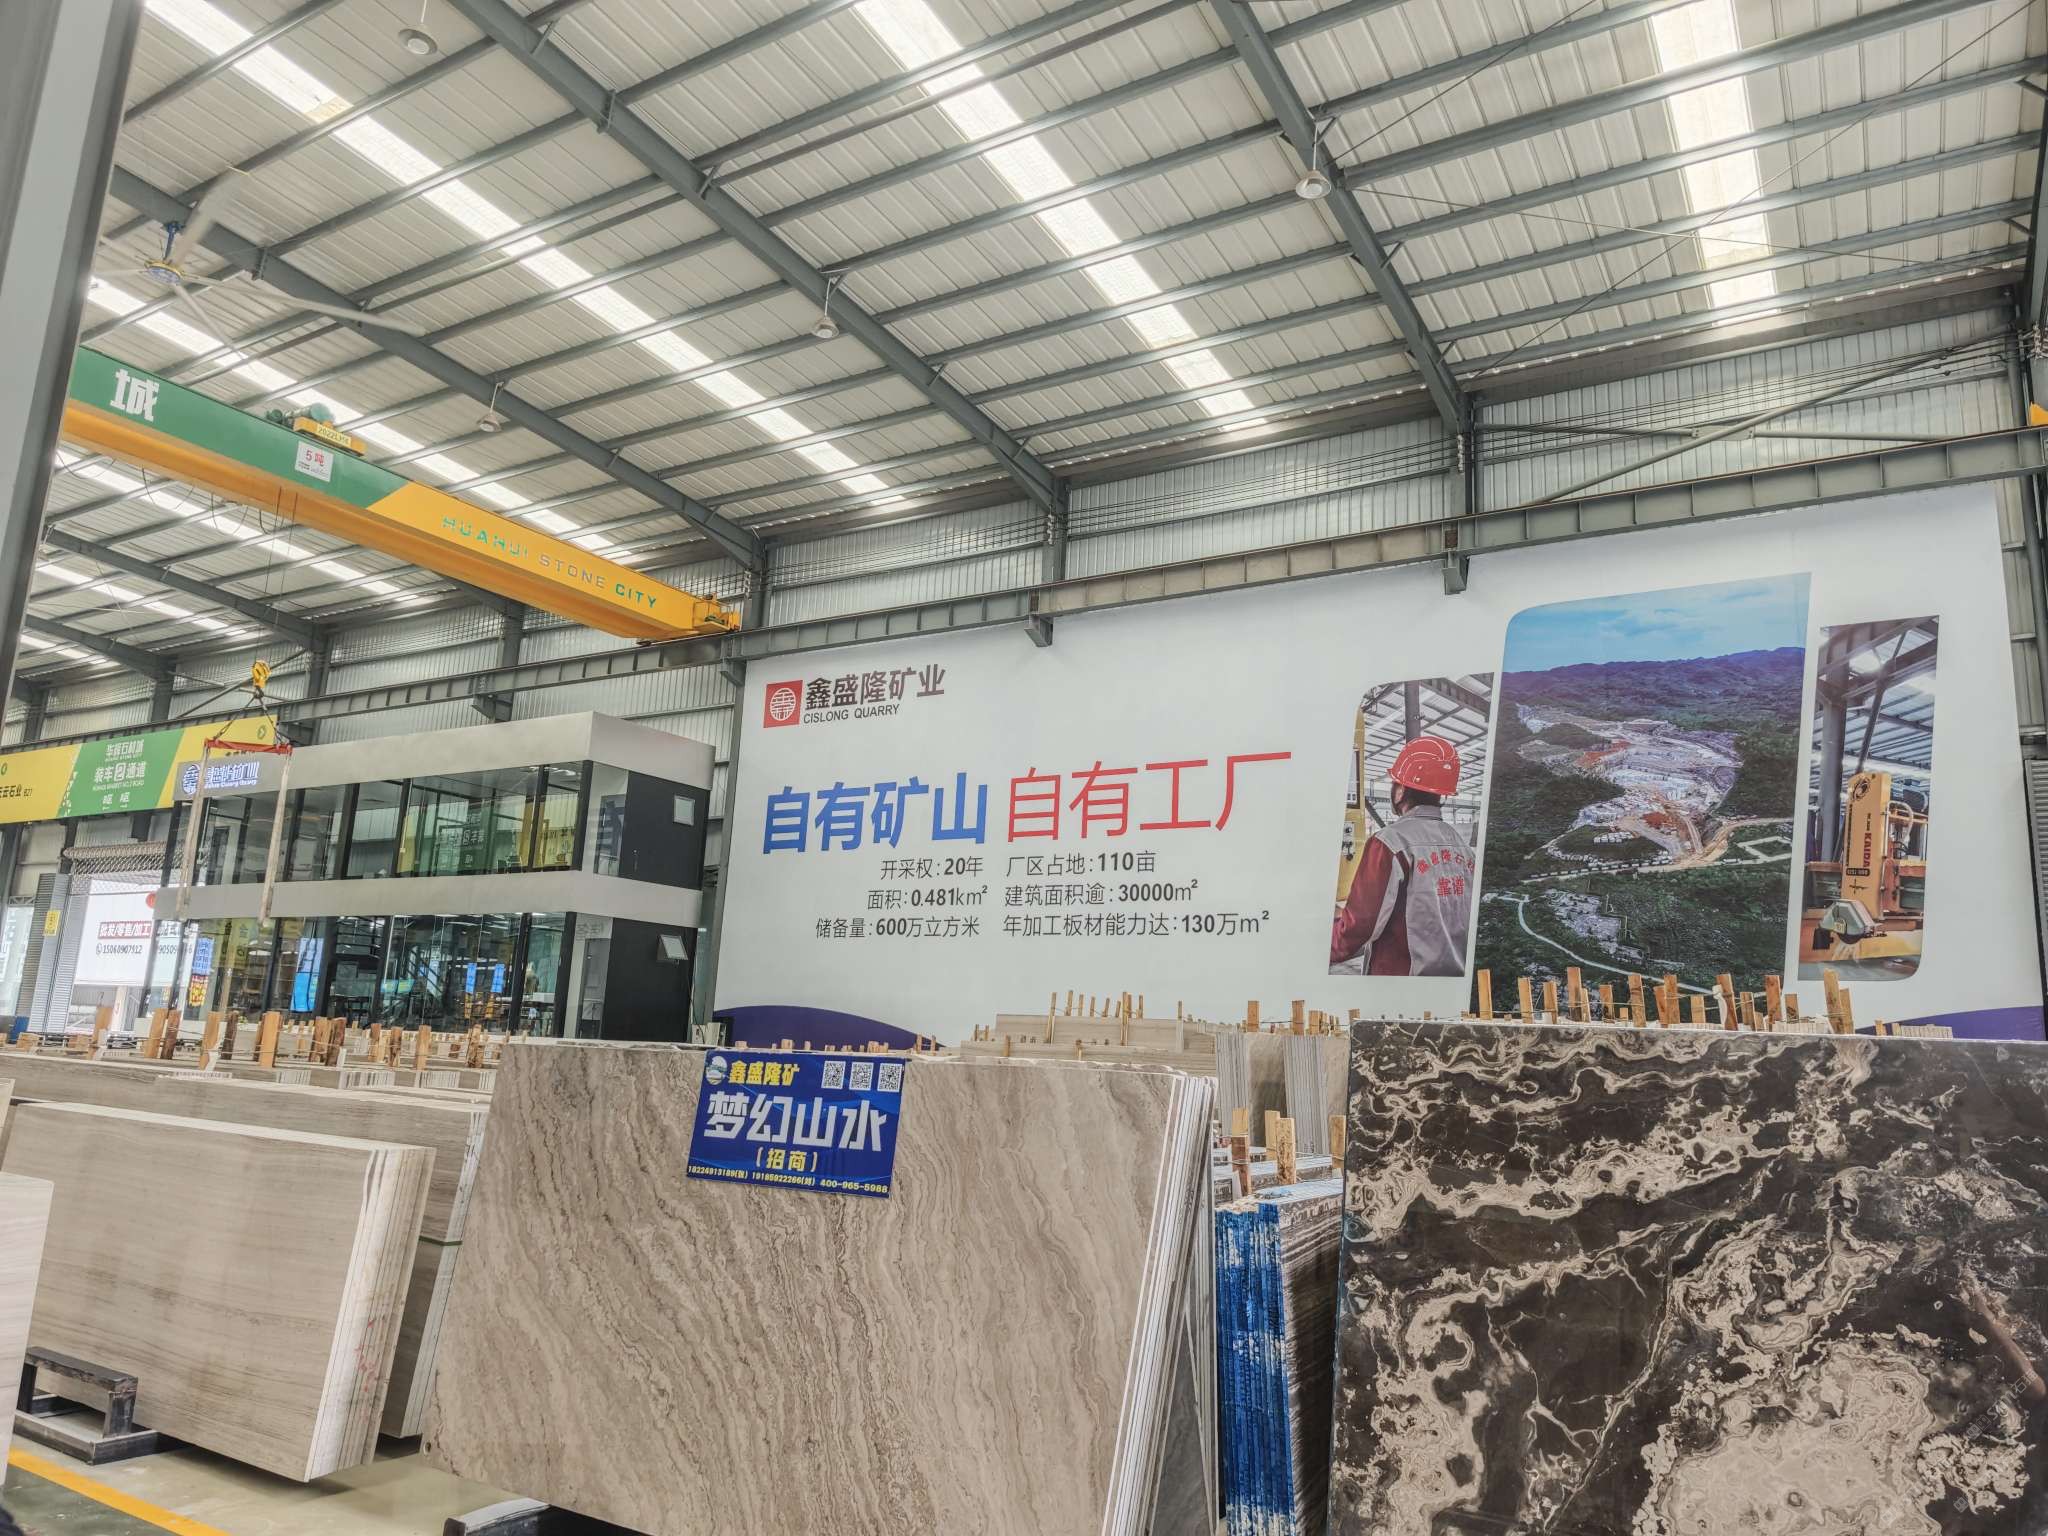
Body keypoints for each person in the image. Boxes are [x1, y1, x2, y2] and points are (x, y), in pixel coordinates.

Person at [1330, 735, 1475, 976]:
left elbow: (1359, 928)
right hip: (1454, 980)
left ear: (1401, 790)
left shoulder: (1390, 842)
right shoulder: (1463, 847)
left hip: (1400, 983)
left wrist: (1320, 945)